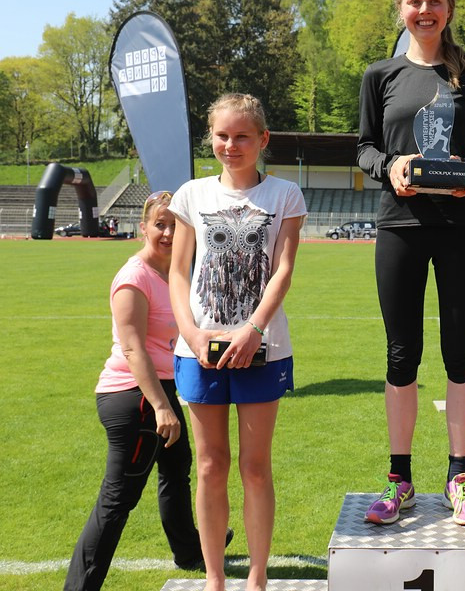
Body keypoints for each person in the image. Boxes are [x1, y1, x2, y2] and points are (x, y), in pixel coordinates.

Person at [356, 0, 465, 526]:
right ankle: (400, 482)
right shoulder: (379, 75)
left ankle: (458, 479)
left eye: (434, 0)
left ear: (449, 9)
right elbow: (364, 147)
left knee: (460, 354)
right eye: (415, 1)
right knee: (401, 355)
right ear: (401, 9)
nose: (424, 10)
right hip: (399, 226)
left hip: (461, 228)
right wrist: (390, 166)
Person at [169, 93, 307, 591]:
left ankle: (256, 575)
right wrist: (190, 332)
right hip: (199, 349)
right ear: (211, 138)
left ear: (263, 139)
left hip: (262, 348)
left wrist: (253, 331)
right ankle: (213, 577)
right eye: (222, 135)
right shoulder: (190, 195)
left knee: (253, 466)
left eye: (242, 135)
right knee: (209, 465)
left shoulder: (285, 194)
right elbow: (178, 273)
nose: (231, 145)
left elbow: (283, 270)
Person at [65, 191, 219, 591]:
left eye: (175, 224)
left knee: (176, 469)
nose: (168, 232)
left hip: (161, 389)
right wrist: (160, 407)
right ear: (143, 228)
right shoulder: (133, 278)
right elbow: (132, 348)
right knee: (118, 500)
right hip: (133, 395)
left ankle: (188, 551)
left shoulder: (176, 272)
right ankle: (79, 587)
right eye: (160, 224)